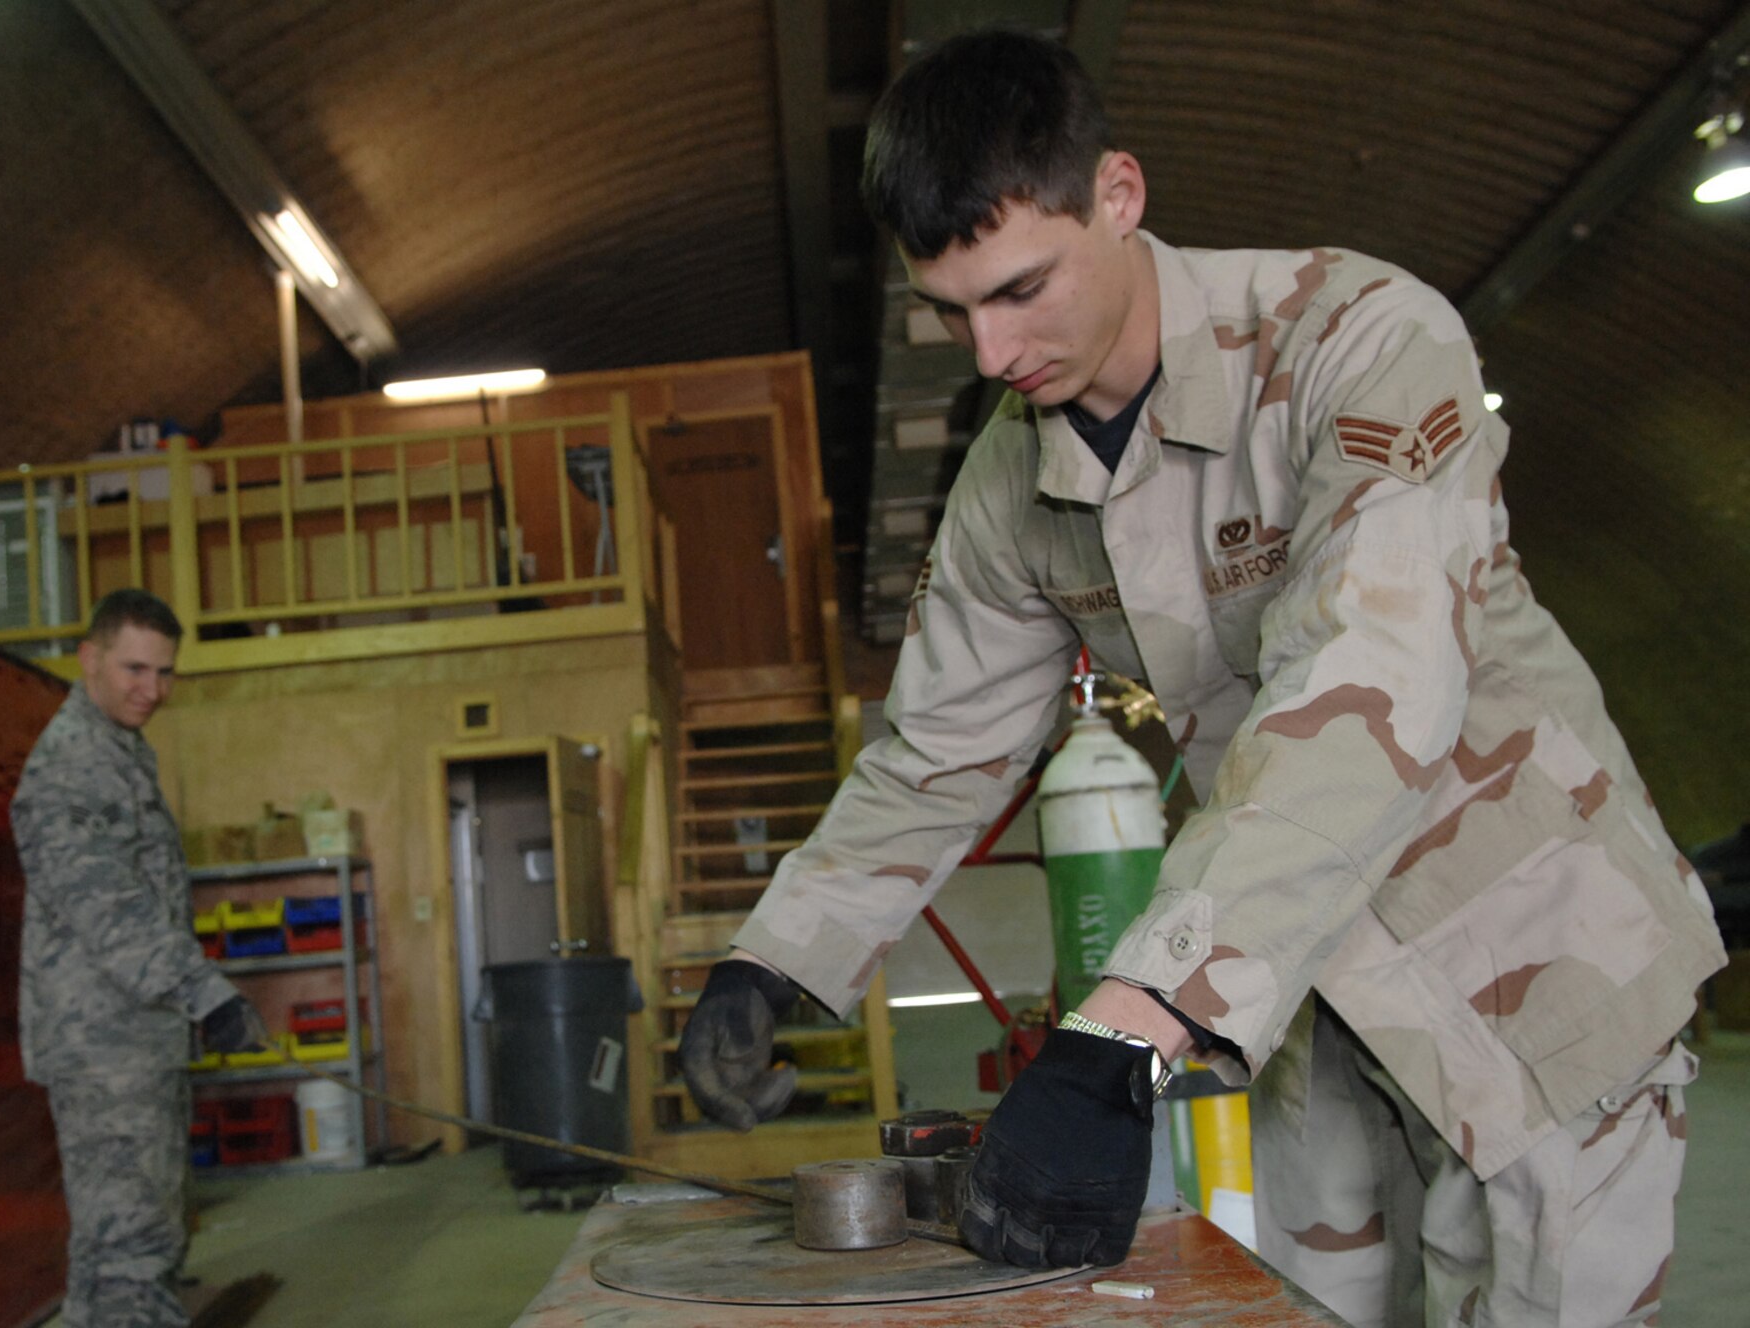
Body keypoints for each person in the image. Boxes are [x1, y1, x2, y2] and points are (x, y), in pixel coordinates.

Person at [678, 29, 1724, 1327]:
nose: (991, 355)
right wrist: (780, 958)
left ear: (1119, 194)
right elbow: (938, 752)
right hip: (1299, 992)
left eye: (1020, 290)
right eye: (949, 311)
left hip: (1524, 962)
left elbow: (1368, 687)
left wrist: (1130, 1023)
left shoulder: (1356, 340)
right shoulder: (1013, 482)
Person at [12, 589, 267, 1327]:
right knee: (133, 1248)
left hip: (133, 1037)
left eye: (164, 673)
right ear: (88, 658)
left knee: (109, 1250)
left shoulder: (117, 749)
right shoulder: (71, 766)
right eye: (133, 668)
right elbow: (109, 908)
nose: (150, 690)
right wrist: (206, 993)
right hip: (105, 1048)